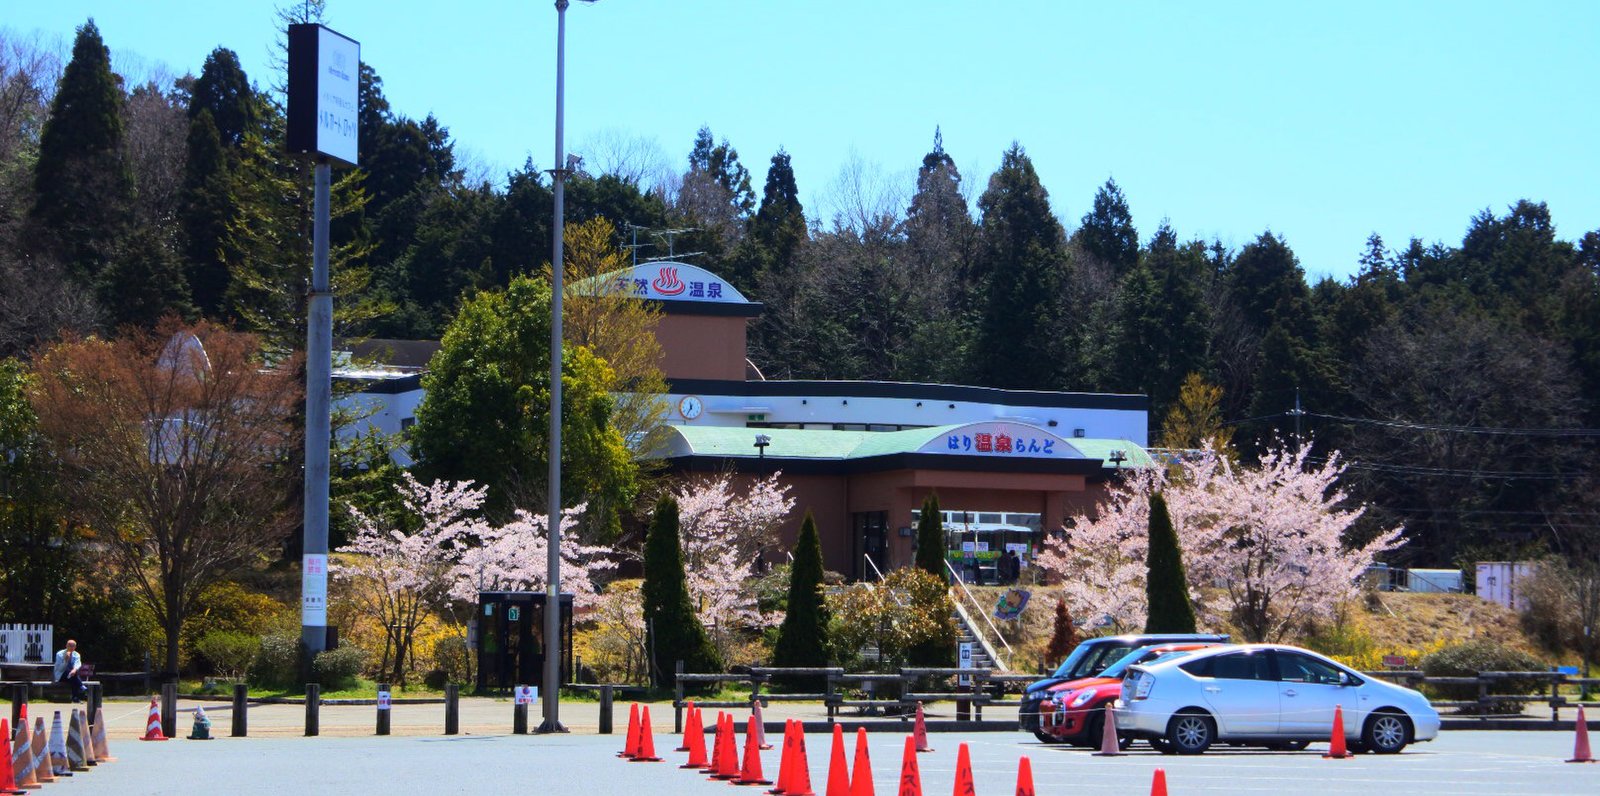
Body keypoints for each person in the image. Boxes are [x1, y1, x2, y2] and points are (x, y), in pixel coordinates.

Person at [53, 639, 86, 703]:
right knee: (71, 672)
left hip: (72, 676)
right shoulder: (59, 654)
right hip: (61, 675)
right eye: (69, 645)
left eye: (73, 646)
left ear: (75, 647)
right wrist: (66, 661)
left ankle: (75, 698)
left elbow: (78, 664)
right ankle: (81, 686)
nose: (71, 647)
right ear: (66, 646)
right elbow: (60, 669)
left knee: (73, 675)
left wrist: (74, 670)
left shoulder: (77, 654)